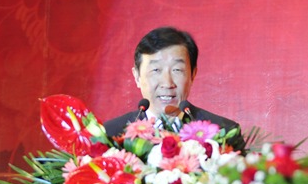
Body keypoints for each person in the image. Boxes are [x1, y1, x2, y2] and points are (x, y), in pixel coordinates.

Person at [104, 26, 245, 151]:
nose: (167, 83)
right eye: (156, 70)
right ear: (137, 77)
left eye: (177, 70)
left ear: (193, 75)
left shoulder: (223, 132)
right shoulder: (111, 135)